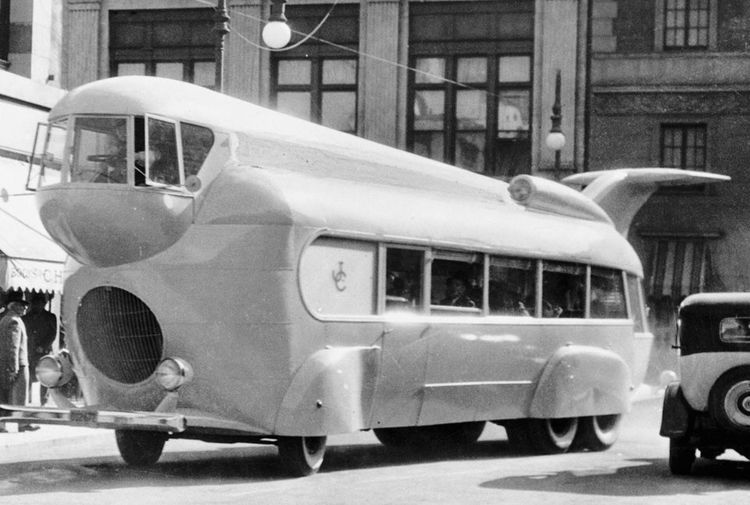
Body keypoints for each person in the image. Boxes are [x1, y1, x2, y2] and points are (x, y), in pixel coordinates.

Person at [0, 291, 38, 432]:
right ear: (14, 306)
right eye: (22, 305)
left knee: (3, 397)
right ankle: (22, 423)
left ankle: (2, 424)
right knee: (20, 396)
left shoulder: (4, 319)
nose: (25, 308)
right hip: (19, 365)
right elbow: (13, 347)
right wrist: (13, 368)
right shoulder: (14, 321)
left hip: (5, 364)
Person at [22, 293, 58, 406]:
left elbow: (52, 334)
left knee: (45, 376)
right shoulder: (25, 318)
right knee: (28, 375)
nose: (36, 306)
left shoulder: (50, 317)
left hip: (44, 352)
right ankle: (26, 400)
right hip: (29, 351)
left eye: (39, 303)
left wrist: (43, 346)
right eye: (34, 303)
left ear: (44, 304)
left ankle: (44, 401)